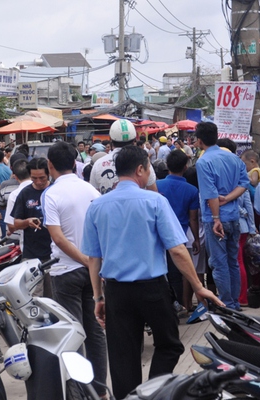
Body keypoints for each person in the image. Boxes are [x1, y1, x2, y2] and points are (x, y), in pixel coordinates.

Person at [82, 145, 222, 399]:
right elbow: (178, 250)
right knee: (169, 345)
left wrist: (98, 297)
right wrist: (198, 287)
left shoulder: (97, 206)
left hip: (115, 292)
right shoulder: (155, 201)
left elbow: (94, 257)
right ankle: (155, 392)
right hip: (152, 290)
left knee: (123, 356)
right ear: (140, 170)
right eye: (148, 168)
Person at [41, 142, 107, 396]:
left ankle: (80, 392)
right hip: (93, 271)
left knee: (73, 334)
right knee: (95, 332)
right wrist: (92, 263)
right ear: (75, 162)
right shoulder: (90, 189)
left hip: (66, 272)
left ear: (50, 165)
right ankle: (99, 390)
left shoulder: (51, 193)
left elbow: (58, 239)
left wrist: (83, 260)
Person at [195, 122, 249, 309]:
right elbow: (244, 183)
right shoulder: (234, 159)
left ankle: (227, 304)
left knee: (219, 264)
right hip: (234, 217)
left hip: (215, 219)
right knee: (232, 262)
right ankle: (234, 302)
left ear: (199, 140)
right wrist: (228, 198)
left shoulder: (203, 161)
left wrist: (216, 217)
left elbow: (210, 193)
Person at [156, 149, 201, 312]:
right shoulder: (192, 190)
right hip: (179, 236)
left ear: (167, 165)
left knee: (162, 272)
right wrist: (196, 239)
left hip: (158, 236)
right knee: (177, 273)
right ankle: (179, 304)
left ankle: (166, 306)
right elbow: (193, 218)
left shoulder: (157, 185)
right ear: (185, 167)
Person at [90, 120, 158, 195]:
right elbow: (152, 190)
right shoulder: (143, 161)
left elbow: (93, 195)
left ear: (111, 139)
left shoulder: (98, 164)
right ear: (134, 140)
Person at [10, 158, 53, 275]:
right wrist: (27, 222)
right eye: (34, 178)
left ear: (49, 173)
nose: (38, 182)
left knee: (52, 292)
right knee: (33, 292)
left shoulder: (55, 191)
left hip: (54, 254)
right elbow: (16, 223)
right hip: (32, 254)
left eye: (42, 178)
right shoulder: (24, 193)